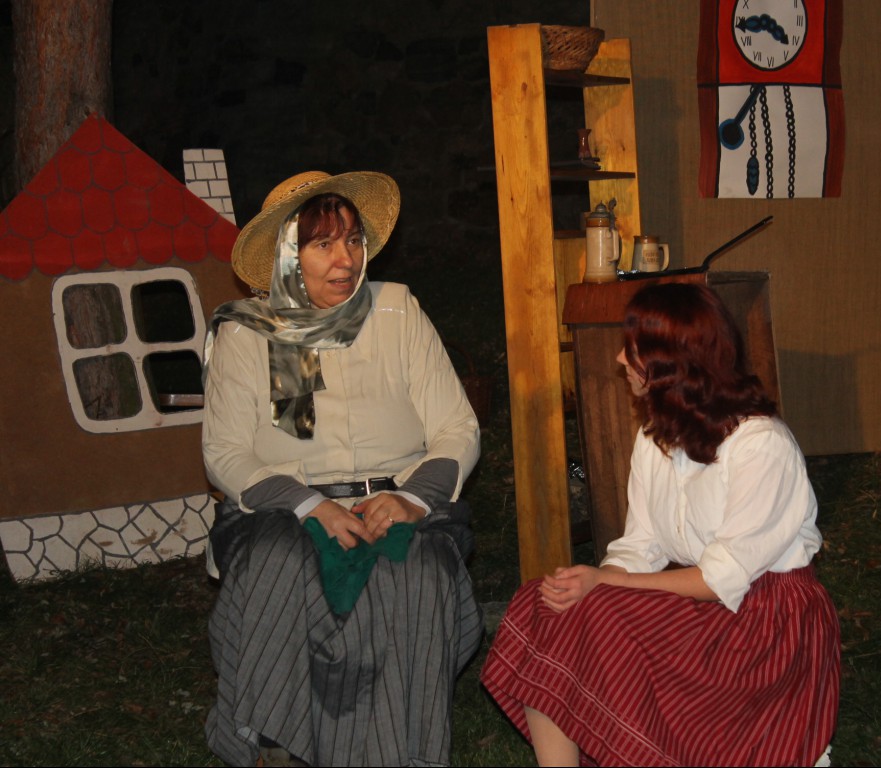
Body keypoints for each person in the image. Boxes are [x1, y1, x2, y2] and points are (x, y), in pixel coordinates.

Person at [480, 282, 840, 767]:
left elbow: (719, 579)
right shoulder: (657, 438)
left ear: (673, 364)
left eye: (633, 350)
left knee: (597, 610)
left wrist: (605, 585)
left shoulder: (762, 445)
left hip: (765, 624)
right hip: (703, 603)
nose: (619, 359)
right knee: (547, 606)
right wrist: (588, 587)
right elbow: (641, 545)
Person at [201, 170, 483, 767]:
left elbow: (457, 428)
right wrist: (312, 506)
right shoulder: (252, 333)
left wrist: (412, 499)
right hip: (286, 506)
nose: (346, 259)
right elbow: (226, 451)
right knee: (278, 564)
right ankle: (277, 741)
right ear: (287, 256)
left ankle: (402, 751)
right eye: (323, 244)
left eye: (353, 240)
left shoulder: (397, 311)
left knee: (417, 572)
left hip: (397, 496)